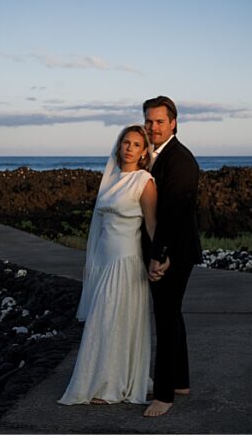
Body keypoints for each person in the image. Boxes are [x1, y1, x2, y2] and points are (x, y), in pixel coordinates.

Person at [59, 125, 157, 406]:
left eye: (136, 144)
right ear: (119, 146)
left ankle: (111, 385)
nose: (129, 147)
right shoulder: (111, 178)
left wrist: (159, 256)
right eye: (126, 142)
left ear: (143, 153)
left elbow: (151, 224)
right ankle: (100, 377)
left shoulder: (144, 180)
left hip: (125, 260)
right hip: (103, 258)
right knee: (101, 321)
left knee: (114, 320)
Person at [141, 96, 203, 417]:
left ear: (174, 122)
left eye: (160, 122)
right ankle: (180, 381)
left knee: (164, 318)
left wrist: (159, 255)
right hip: (171, 249)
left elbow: (173, 212)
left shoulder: (180, 160)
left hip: (174, 252)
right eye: (149, 121)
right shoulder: (152, 156)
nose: (153, 127)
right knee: (172, 315)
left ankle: (164, 395)